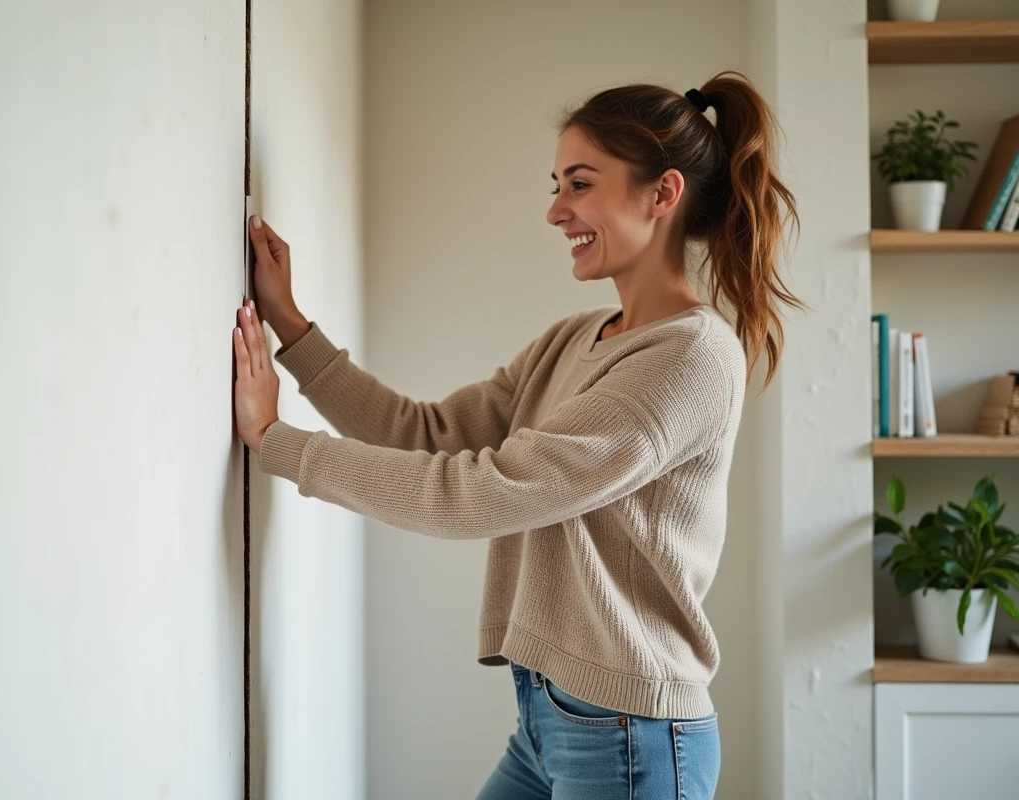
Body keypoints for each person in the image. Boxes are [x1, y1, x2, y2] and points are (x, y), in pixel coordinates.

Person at [231, 69, 799, 799]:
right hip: (552, 720)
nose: (557, 211)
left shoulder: (689, 357)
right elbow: (427, 435)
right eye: (556, 185)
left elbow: (482, 494)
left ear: (662, 194)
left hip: (628, 737)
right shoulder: (574, 340)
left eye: (580, 184)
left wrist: (277, 441)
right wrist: (289, 324)